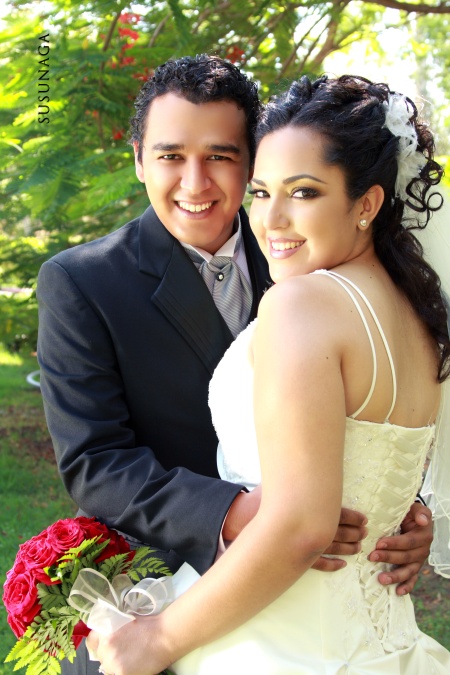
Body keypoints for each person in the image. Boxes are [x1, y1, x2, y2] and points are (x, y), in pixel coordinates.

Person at [36, 57, 433, 673]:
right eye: (170, 156)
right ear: (140, 158)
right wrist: (240, 512)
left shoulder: (301, 255)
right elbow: (96, 461)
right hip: (166, 578)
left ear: (252, 158)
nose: (195, 182)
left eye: (221, 156)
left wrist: (399, 512)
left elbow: (375, 417)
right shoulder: (80, 282)